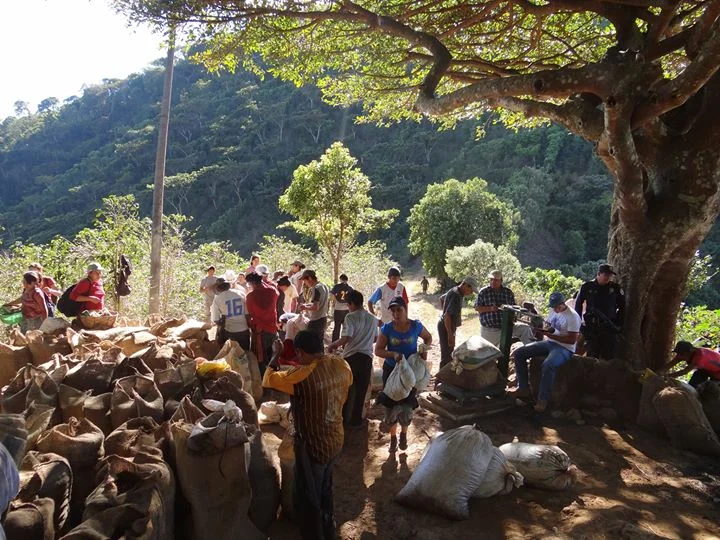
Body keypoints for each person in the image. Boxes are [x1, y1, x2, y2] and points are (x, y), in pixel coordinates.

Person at [262, 330, 352, 540]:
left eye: (297, 355)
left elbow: (269, 379)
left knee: (308, 497)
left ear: (300, 353)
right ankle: (329, 525)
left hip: (314, 445)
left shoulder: (303, 376)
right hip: (336, 438)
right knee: (326, 488)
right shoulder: (342, 365)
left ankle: (315, 534)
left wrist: (276, 354)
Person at [374, 297, 432, 452]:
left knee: (407, 404)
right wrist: (392, 354)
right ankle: (393, 438)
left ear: (405, 309)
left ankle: (403, 435)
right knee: (391, 405)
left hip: (410, 373)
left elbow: (428, 337)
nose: (395, 314)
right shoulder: (387, 329)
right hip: (392, 372)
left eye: (398, 310)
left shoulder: (415, 326)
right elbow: (378, 350)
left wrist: (423, 351)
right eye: (393, 311)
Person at [509, 292, 581, 413]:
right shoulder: (553, 311)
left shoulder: (572, 316)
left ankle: (543, 400)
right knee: (519, 353)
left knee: (549, 364)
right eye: (553, 307)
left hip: (565, 348)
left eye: (557, 306)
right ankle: (523, 388)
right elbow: (548, 326)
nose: (555, 309)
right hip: (550, 343)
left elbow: (572, 340)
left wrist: (549, 335)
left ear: (563, 304)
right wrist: (542, 330)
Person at [328, 290, 379, 428]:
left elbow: (346, 338)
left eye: (348, 305)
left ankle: (343, 420)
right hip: (367, 358)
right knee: (361, 392)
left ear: (351, 303)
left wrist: (332, 345)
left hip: (351, 358)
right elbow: (375, 338)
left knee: (347, 390)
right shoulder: (373, 319)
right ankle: (356, 421)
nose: (348, 307)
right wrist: (365, 341)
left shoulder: (350, 317)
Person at [575, 263, 625, 359]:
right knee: (591, 356)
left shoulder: (615, 288)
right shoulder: (587, 286)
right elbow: (578, 305)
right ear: (598, 274)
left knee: (608, 356)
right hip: (592, 328)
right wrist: (579, 323)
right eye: (605, 275)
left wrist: (619, 324)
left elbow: (622, 307)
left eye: (610, 275)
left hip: (609, 327)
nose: (608, 278)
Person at [474, 270, 535, 346]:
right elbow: (477, 308)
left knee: (525, 329)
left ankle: (533, 351)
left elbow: (514, 307)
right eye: (491, 279)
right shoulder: (483, 292)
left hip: (506, 327)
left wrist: (514, 316)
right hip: (489, 330)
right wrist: (492, 308)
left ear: (501, 281)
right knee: (487, 353)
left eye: (496, 280)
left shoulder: (508, 292)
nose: (493, 282)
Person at [438, 276, 479, 368]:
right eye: (471, 289)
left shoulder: (455, 290)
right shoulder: (456, 295)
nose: (471, 292)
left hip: (447, 324)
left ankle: (442, 376)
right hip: (446, 326)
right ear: (465, 285)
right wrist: (450, 334)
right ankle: (441, 378)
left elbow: (442, 298)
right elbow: (448, 315)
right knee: (447, 354)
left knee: (448, 351)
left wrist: (444, 311)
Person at [245, 272, 280, 372]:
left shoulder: (250, 296)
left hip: (260, 330)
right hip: (273, 327)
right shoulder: (273, 291)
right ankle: (275, 375)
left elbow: (250, 313)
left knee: (261, 357)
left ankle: (264, 379)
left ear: (252, 283)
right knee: (274, 353)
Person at [211, 277, 250, 351]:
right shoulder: (240, 293)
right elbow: (247, 314)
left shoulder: (218, 298)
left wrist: (222, 323)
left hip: (230, 331)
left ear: (218, 288)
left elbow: (215, 320)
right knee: (245, 353)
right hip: (244, 329)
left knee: (232, 356)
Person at [299, 269, 330, 341]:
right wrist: (307, 305)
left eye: (305, 281)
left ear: (309, 278)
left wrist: (304, 307)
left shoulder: (316, 288)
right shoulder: (324, 286)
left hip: (316, 320)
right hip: (323, 318)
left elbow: (315, 307)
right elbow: (320, 303)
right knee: (319, 342)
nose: (305, 283)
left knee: (312, 343)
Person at [329, 274, 353, 342]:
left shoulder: (337, 286)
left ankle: (334, 344)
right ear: (347, 280)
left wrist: (334, 302)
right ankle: (344, 344)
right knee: (346, 328)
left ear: (340, 279)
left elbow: (331, 295)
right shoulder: (350, 288)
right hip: (347, 310)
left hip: (338, 309)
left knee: (337, 327)